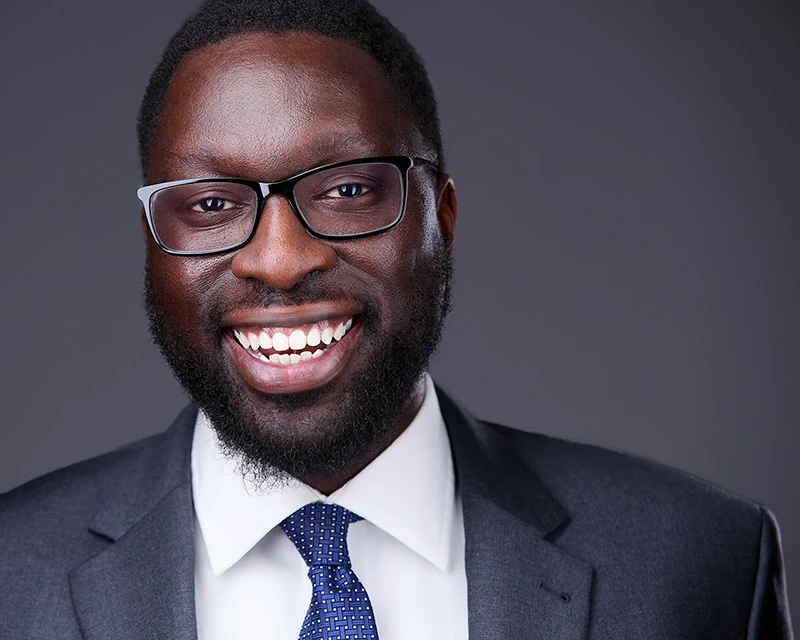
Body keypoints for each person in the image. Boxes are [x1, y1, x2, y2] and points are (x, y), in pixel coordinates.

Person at [0, 0, 793, 637]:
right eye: (210, 205)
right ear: (150, 244)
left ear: (440, 219)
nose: (279, 260)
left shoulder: (702, 564)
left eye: (346, 190)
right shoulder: (11, 577)